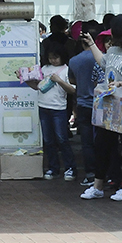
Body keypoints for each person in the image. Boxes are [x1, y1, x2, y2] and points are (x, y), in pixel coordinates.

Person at [80, 15, 122, 202]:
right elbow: (104, 63)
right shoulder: (114, 49)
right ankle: (98, 186)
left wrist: (119, 83)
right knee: (102, 145)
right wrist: (92, 44)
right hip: (111, 105)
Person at [67, 22, 104, 186]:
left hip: (83, 103)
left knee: (87, 143)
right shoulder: (105, 57)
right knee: (104, 141)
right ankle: (105, 174)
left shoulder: (74, 61)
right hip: (104, 104)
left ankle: (90, 174)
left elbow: (72, 81)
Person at [37, 41, 76, 181]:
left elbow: (72, 90)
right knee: (48, 141)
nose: (53, 60)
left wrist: (59, 80)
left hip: (59, 109)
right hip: (43, 107)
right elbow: (38, 86)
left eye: (56, 57)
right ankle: (53, 168)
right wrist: (24, 78)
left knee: (62, 139)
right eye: (51, 57)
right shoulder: (44, 68)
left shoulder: (67, 69)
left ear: (62, 56)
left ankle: (70, 167)